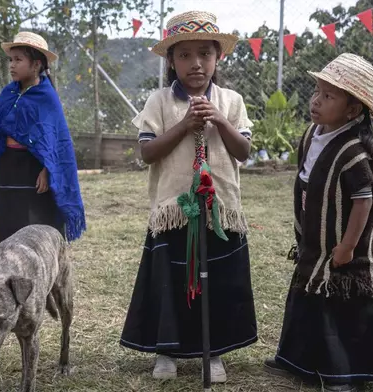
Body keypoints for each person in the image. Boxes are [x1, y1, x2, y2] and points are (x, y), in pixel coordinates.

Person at [119, 11, 257, 383]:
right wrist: (184, 125)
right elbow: (147, 153)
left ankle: (214, 352)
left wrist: (220, 121)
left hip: (219, 210)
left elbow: (243, 152)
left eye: (205, 54)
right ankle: (167, 351)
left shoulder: (230, 100)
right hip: (174, 210)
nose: (196, 63)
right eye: (184, 55)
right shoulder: (159, 101)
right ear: (171, 61)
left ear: (218, 58)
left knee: (218, 281)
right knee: (172, 280)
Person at [263, 54, 373, 392]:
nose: (316, 100)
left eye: (328, 96)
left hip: (343, 248)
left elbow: (363, 200)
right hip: (316, 241)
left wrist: (349, 245)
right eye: (316, 91)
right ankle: (297, 361)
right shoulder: (313, 134)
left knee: (343, 309)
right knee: (308, 300)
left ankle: (345, 373)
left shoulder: (354, 152)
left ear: (353, 110)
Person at [0, 32, 85, 243]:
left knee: (34, 222)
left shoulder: (46, 97)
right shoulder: (9, 93)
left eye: (18, 60)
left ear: (36, 65)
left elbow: (55, 141)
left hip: (32, 171)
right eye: (10, 60)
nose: (12, 65)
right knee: (9, 219)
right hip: (7, 168)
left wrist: (47, 170)